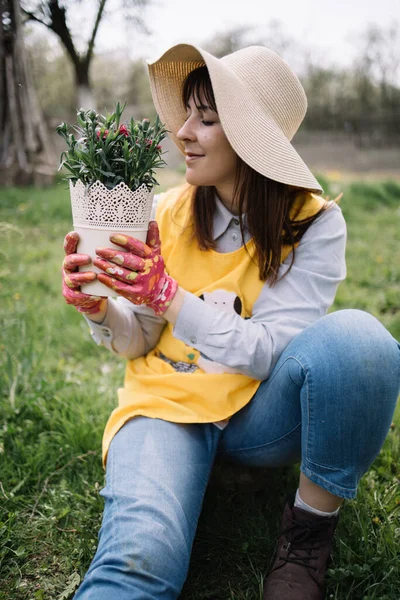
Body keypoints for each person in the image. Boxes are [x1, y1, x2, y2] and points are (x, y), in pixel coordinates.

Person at [62, 44, 400, 600]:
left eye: (207, 119)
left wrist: (168, 295)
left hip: (257, 420)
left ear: (250, 140)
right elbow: (140, 339)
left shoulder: (315, 225)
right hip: (166, 409)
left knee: (360, 341)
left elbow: (270, 352)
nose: (183, 132)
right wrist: (101, 309)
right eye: (187, 114)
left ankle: (307, 536)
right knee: (137, 564)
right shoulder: (167, 211)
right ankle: (182, 473)